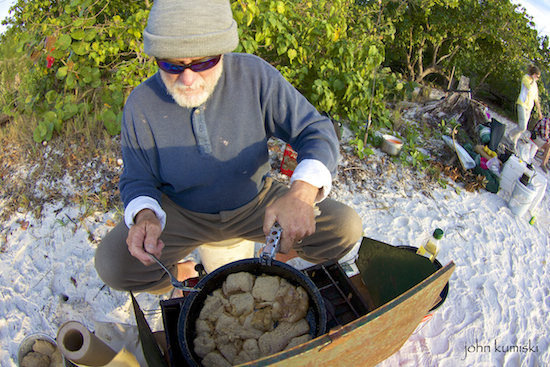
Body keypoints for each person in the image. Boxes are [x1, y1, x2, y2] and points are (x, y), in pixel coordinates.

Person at [94, 0, 363, 295]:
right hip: (181, 213)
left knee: (344, 228)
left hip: (257, 202)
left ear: (222, 52)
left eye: (203, 62)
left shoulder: (254, 76)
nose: (187, 78)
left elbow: (315, 130)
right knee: (113, 266)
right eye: (171, 64)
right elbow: (137, 178)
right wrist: (145, 216)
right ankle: (184, 275)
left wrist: (300, 194)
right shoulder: (141, 104)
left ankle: (278, 259)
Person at [509, 65, 543, 151]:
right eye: (537, 77)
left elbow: (536, 99)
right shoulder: (526, 78)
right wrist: (533, 81)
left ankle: (513, 144)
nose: (538, 79)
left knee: (521, 129)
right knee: (522, 127)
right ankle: (510, 135)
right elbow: (528, 87)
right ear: (534, 74)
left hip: (529, 108)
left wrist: (539, 112)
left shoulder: (535, 85)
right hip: (522, 104)